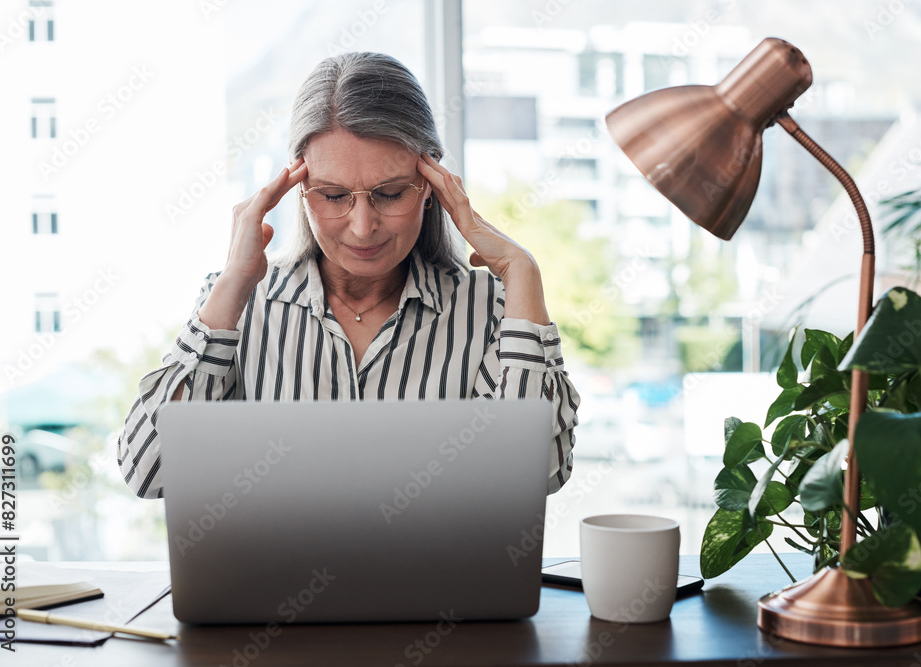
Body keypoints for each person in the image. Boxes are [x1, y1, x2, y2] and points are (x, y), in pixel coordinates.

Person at [117, 52, 579, 499]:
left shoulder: (490, 308)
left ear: (433, 186)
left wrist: (522, 272)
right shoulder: (241, 305)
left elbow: (538, 475)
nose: (362, 226)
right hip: (274, 579)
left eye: (391, 193)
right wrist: (235, 282)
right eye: (334, 196)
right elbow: (148, 471)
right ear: (298, 188)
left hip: (429, 580)